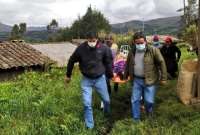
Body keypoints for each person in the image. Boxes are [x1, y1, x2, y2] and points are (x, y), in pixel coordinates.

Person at [65, 32, 113, 129]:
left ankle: (107, 116)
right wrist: (68, 75)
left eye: (93, 41)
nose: (91, 42)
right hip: (86, 79)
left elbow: (108, 62)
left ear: (97, 39)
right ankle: (90, 126)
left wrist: (110, 75)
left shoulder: (104, 48)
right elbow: (71, 60)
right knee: (87, 103)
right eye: (89, 40)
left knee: (107, 101)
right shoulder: (81, 49)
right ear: (87, 39)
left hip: (100, 78)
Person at [124, 32, 167, 121]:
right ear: (134, 42)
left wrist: (163, 78)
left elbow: (161, 62)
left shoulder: (153, 50)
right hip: (136, 80)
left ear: (145, 41)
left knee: (149, 101)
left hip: (150, 80)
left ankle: (149, 113)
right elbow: (127, 64)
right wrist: (125, 76)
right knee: (135, 100)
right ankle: (136, 119)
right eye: (137, 43)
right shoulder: (132, 51)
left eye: (141, 43)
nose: (139, 45)